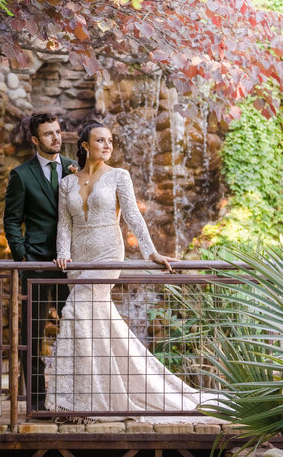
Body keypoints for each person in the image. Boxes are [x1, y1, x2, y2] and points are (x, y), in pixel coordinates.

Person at [45, 119, 212, 420]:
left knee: (74, 310)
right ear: (85, 146)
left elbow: (133, 217)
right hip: (78, 260)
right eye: (100, 141)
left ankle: (81, 401)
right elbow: (64, 224)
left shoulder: (119, 176)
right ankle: (93, 396)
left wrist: (151, 252)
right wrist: (62, 255)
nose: (108, 145)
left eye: (110, 140)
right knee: (96, 322)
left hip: (108, 252)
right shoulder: (67, 182)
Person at [3, 113, 77, 411]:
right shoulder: (21, 175)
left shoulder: (76, 167)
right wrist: (22, 256)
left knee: (75, 326)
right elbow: (11, 221)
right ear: (35, 139)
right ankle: (35, 401)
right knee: (32, 334)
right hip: (35, 265)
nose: (56, 138)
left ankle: (73, 397)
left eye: (58, 132)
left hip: (71, 265)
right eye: (48, 134)